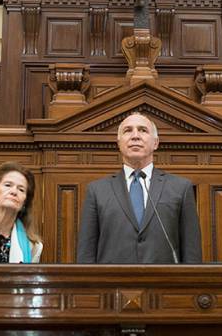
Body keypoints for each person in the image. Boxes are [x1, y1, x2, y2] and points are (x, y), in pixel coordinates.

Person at [77, 112, 202, 263]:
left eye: (143, 130)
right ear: (118, 143)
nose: (135, 136)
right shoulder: (96, 190)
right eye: (128, 130)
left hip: (164, 277)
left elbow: (192, 253)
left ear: (155, 143)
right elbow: (86, 254)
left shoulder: (180, 188)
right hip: (112, 278)